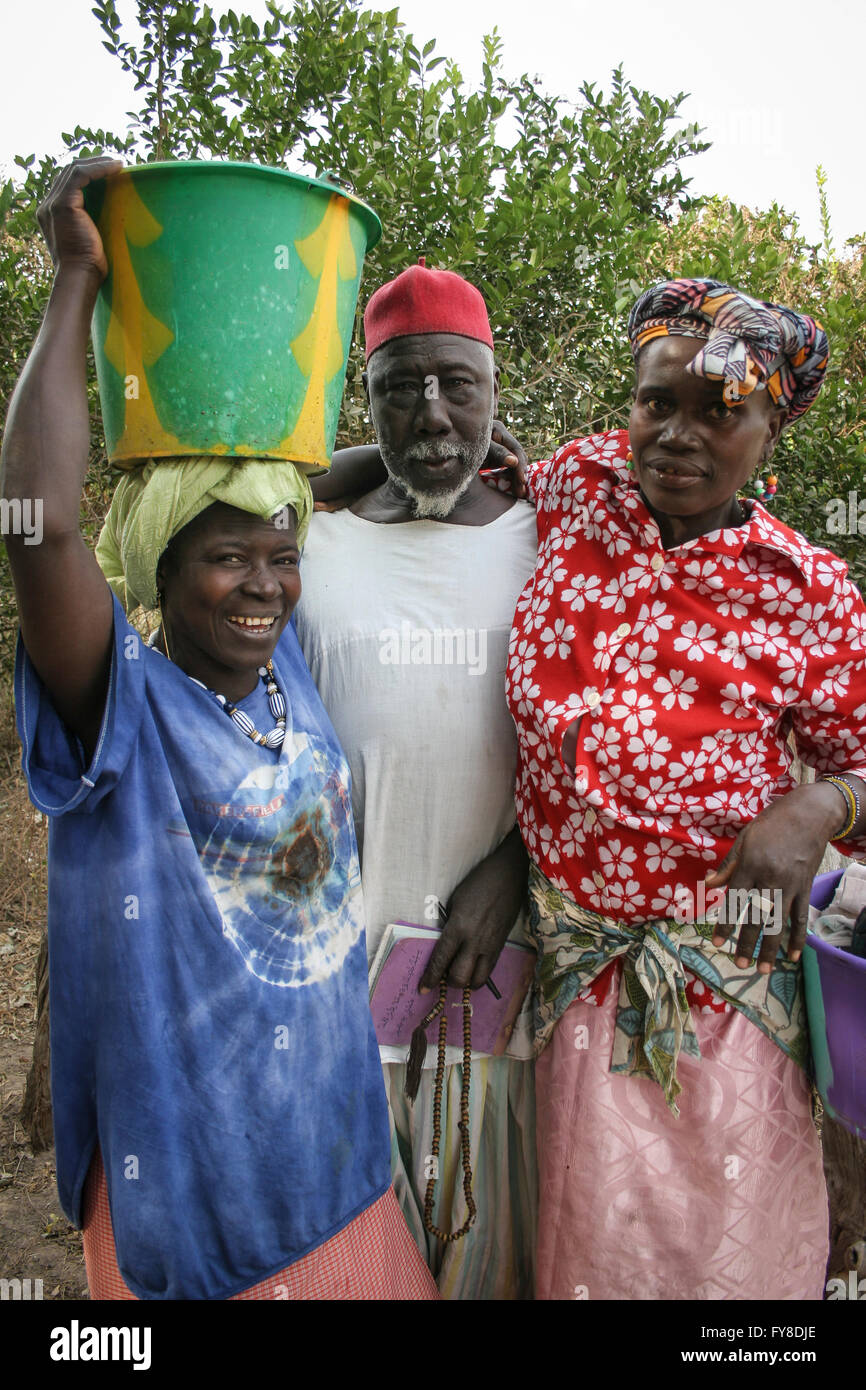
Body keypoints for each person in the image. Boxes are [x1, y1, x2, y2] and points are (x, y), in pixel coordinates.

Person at [0, 156, 438, 1300]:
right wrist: (76, 286)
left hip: (333, 1144)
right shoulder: (122, 699)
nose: (260, 584)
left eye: (280, 557)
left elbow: (300, 484)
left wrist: (449, 468)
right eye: (223, 557)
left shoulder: (280, 657)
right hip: (200, 1175)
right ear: (159, 565)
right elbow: (39, 525)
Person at [501, 278, 866, 1300]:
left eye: (719, 412)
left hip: (728, 995)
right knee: (588, 1253)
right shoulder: (576, 487)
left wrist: (820, 806)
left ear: (770, 425)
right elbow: (457, 479)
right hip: (573, 974)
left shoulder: (804, 592)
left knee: (725, 1271)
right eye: (655, 401)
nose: (676, 434)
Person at [294, 263, 539, 1298]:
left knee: (485, 1260)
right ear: (365, 396)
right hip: (329, 1006)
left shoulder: (553, 539)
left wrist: (519, 865)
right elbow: (238, 481)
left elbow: (608, 747)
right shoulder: (307, 542)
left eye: (456, 384)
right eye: (398, 386)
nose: (430, 413)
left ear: (494, 388)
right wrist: (341, 469)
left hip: (493, 996)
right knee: (355, 1274)